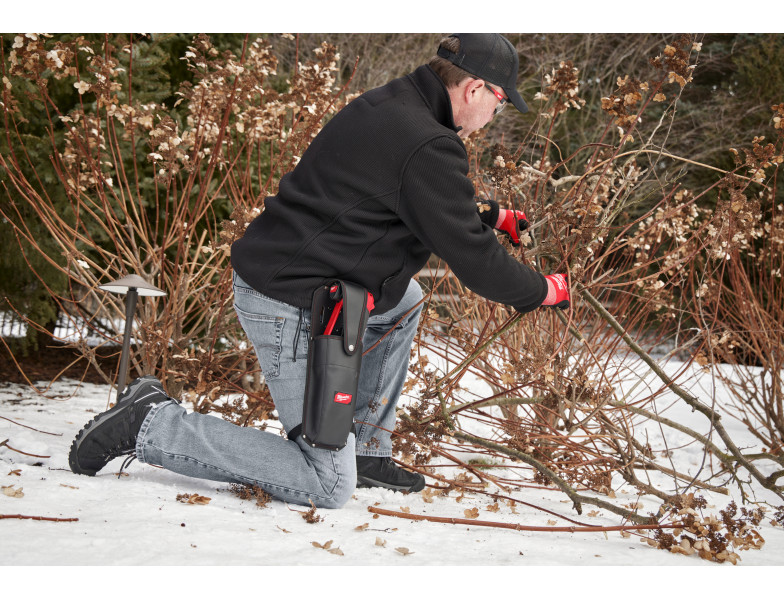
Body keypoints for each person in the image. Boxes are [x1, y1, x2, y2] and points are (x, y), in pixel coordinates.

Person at [68, 33, 570, 509]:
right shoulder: (427, 142)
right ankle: (149, 424)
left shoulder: (395, 103)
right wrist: (543, 290)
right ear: (475, 88)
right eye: (501, 102)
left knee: (404, 300)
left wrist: (490, 215)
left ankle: (366, 450)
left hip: (301, 273)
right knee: (327, 483)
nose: (496, 114)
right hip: (289, 301)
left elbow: (402, 194)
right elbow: (476, 262)